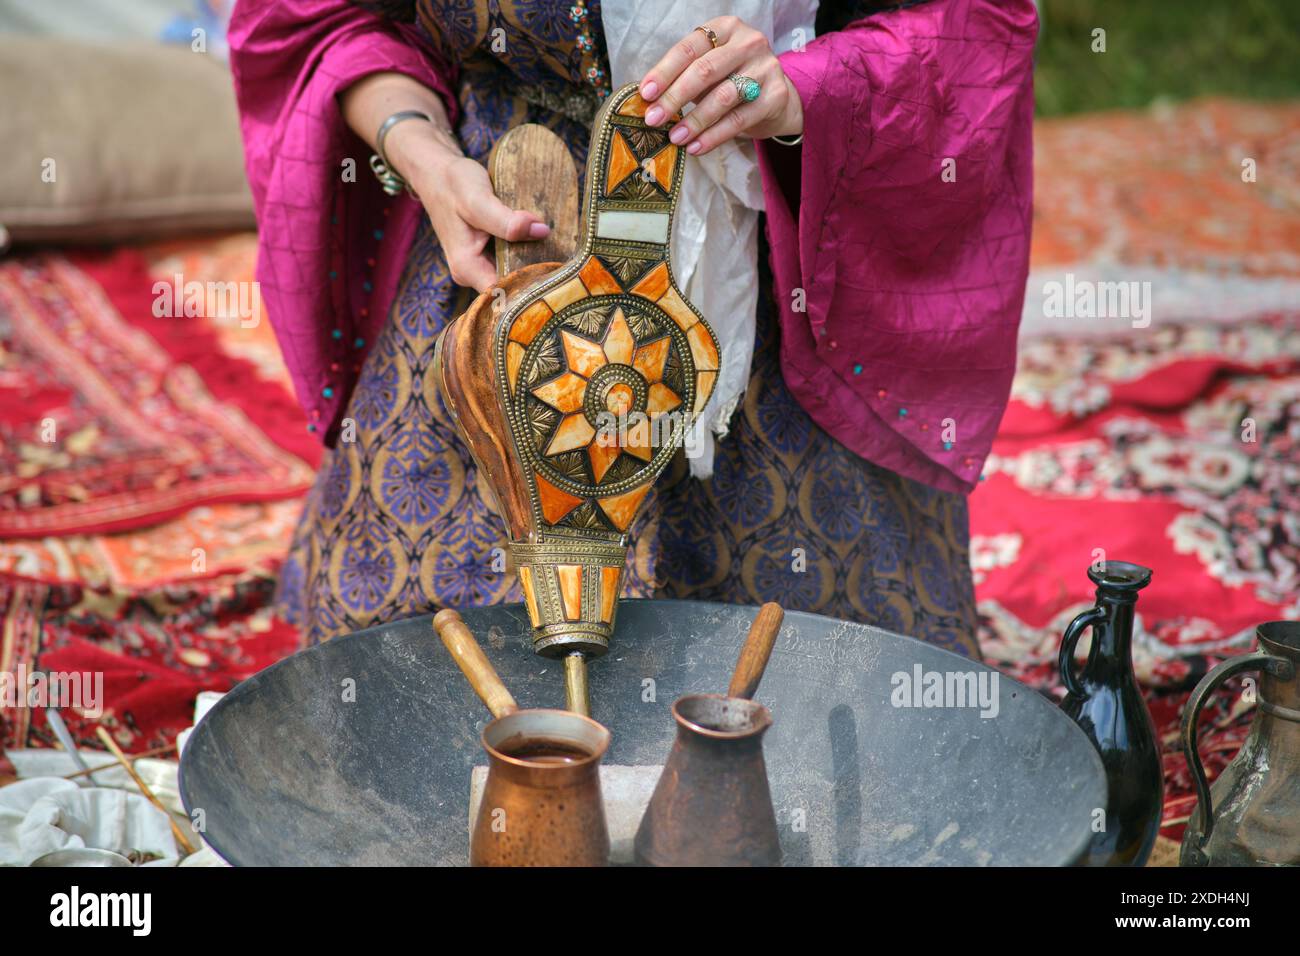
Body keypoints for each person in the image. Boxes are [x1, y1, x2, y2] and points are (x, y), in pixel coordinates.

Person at [228, 0, 1039, 658]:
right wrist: (423, 152)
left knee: (837, 742)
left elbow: (975, 27)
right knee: (423, 730)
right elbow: (316, 19)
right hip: (500, 259)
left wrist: (807, 89)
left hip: (780, 285)